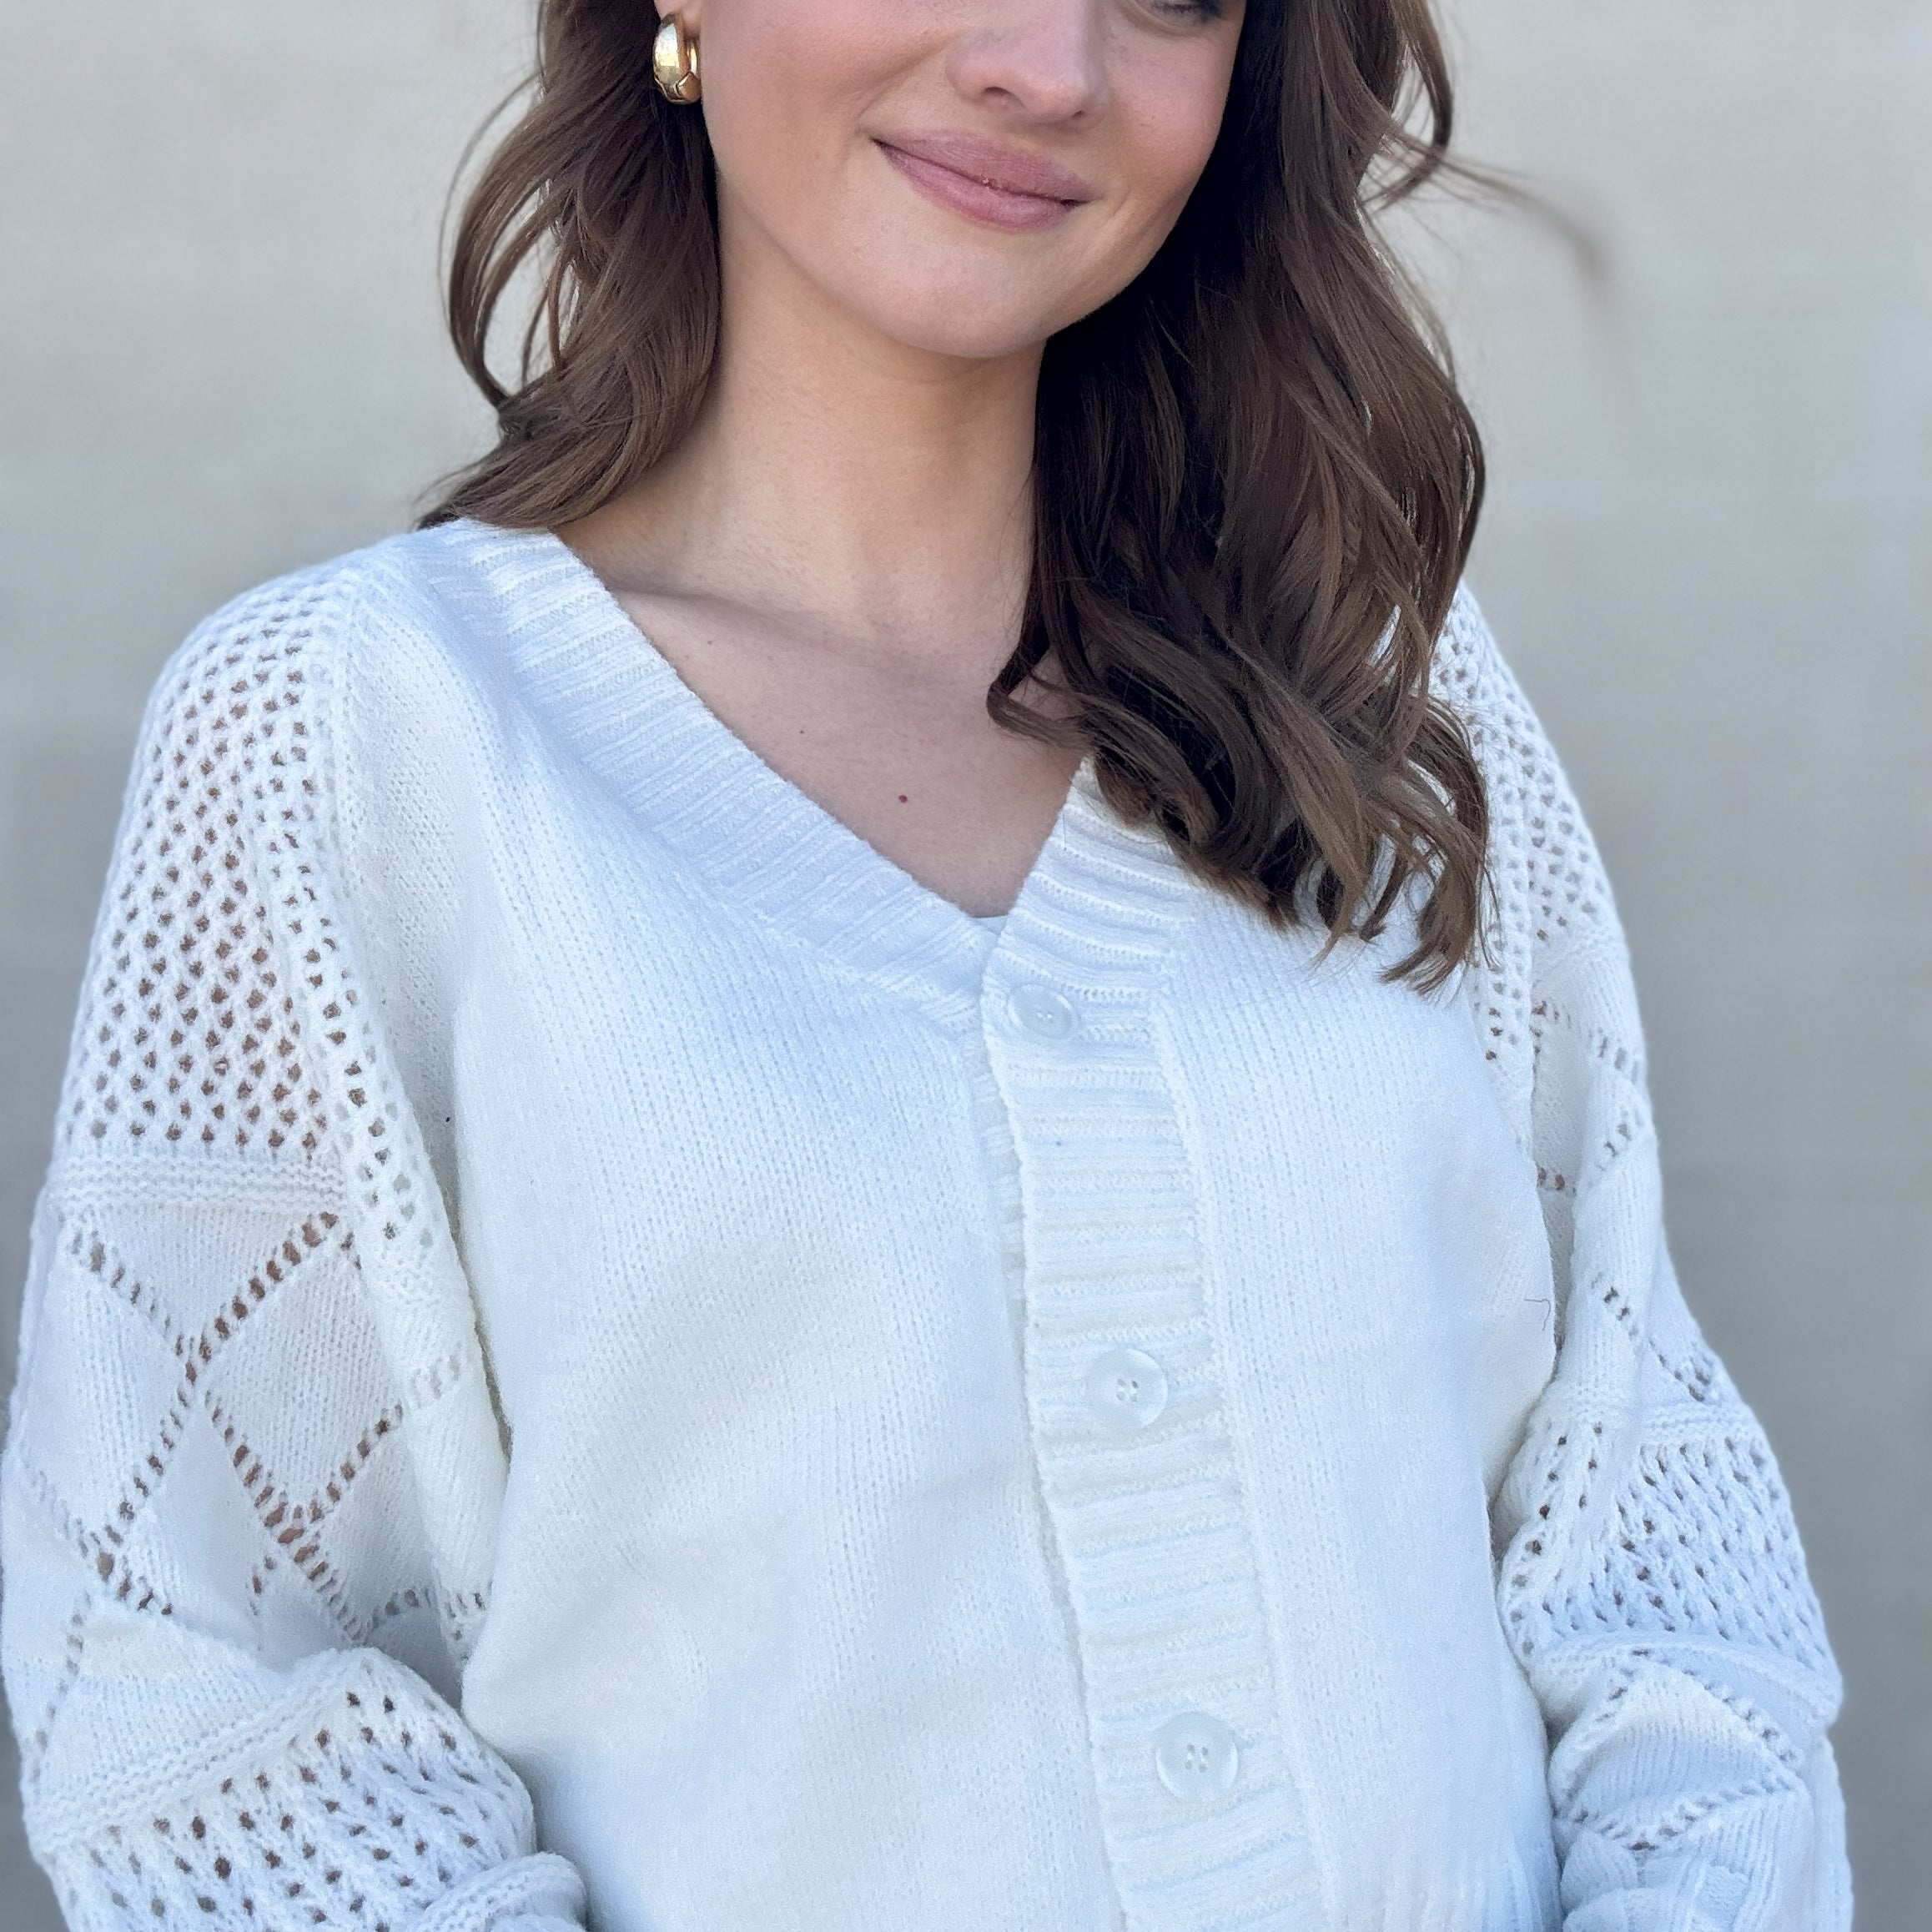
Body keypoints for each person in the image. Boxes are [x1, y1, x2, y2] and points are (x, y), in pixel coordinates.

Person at [1, 2, 1851, 1928]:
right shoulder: (355, 740)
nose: (1048, 67)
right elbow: (209, 1709)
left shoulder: (1377, 695)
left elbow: (1655, 1569)